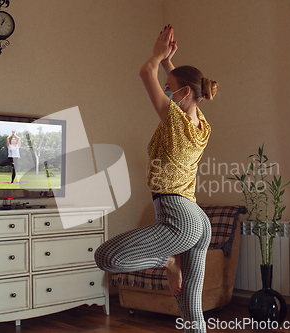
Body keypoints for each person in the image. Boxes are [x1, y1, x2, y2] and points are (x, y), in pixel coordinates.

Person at [95, 25, 218, 332]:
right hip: (198, 222)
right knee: (191, 309)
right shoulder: (200, 123)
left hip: (180, 217)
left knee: (106, 257)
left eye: (169, 87)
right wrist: (168, 62)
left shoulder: (175, 120)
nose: (165, 91)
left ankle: (167, 261)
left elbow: (143, 72)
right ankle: (172, 264)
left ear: (184, 93)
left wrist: (156, 56)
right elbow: (185, 87)